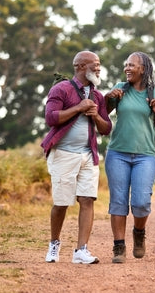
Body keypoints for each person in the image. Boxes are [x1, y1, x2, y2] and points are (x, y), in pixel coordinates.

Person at [41, 50, 112, 264]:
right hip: (63, 154)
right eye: (95, 64)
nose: (98, 68)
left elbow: (106, 128)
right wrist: (79, 108)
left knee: (87, 199)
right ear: (80, 66)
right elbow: (50, 118)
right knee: (62, 203)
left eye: (99, 65)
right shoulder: (61, 89)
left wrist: (96, 115)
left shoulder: (97, 96)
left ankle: (81, 250)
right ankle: (54, 244)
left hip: (88, 154)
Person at [104, 51, 155, 263]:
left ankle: (138, 232)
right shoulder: (120, 89)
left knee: (141, 202)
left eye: (132, 65)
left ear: (143, 69)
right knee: (118, 201)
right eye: (126, 65)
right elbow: (103, 112)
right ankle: (119, 246)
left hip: (145, 155)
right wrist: (109, 98)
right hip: (117, 153)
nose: (127, 68)